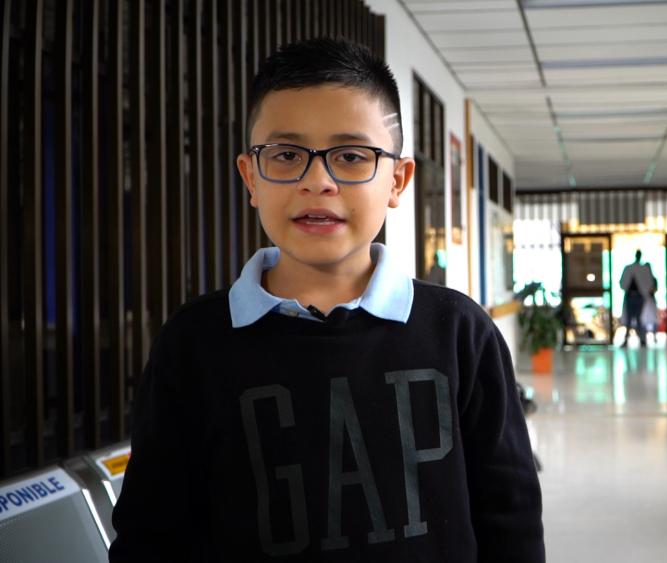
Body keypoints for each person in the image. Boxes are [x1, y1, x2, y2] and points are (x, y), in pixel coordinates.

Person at [109, 38, 544, 562]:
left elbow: (511, 518)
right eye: (286, 155)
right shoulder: (193, 344)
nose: (318, 181)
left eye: (352, 156)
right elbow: (151, 532)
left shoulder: (459, 333)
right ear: (250, 177)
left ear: (397, 180)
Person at [619, 250, 657, 347]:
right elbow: (623, 283)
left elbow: (649, 284)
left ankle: (642, 340)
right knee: (630, 319)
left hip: (638, 297)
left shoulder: (641, 269)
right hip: (632, 297)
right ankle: (635, 340)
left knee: (639, 319)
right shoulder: (631, 268)